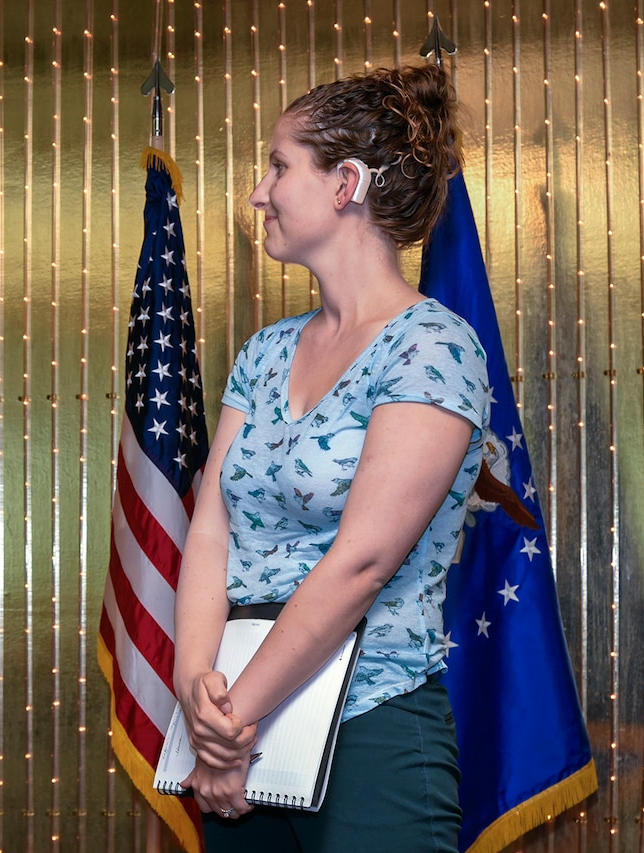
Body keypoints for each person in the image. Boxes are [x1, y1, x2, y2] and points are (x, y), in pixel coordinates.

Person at [171, 64, 489, 852]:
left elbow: (361, 563)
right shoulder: (264, 350)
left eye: (279, 166)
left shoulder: (433, 346)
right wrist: (196, 694)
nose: (258, 192)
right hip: (233, 745)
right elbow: (211, 530)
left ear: (346, 182)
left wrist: (233, 716)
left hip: (369, 731)